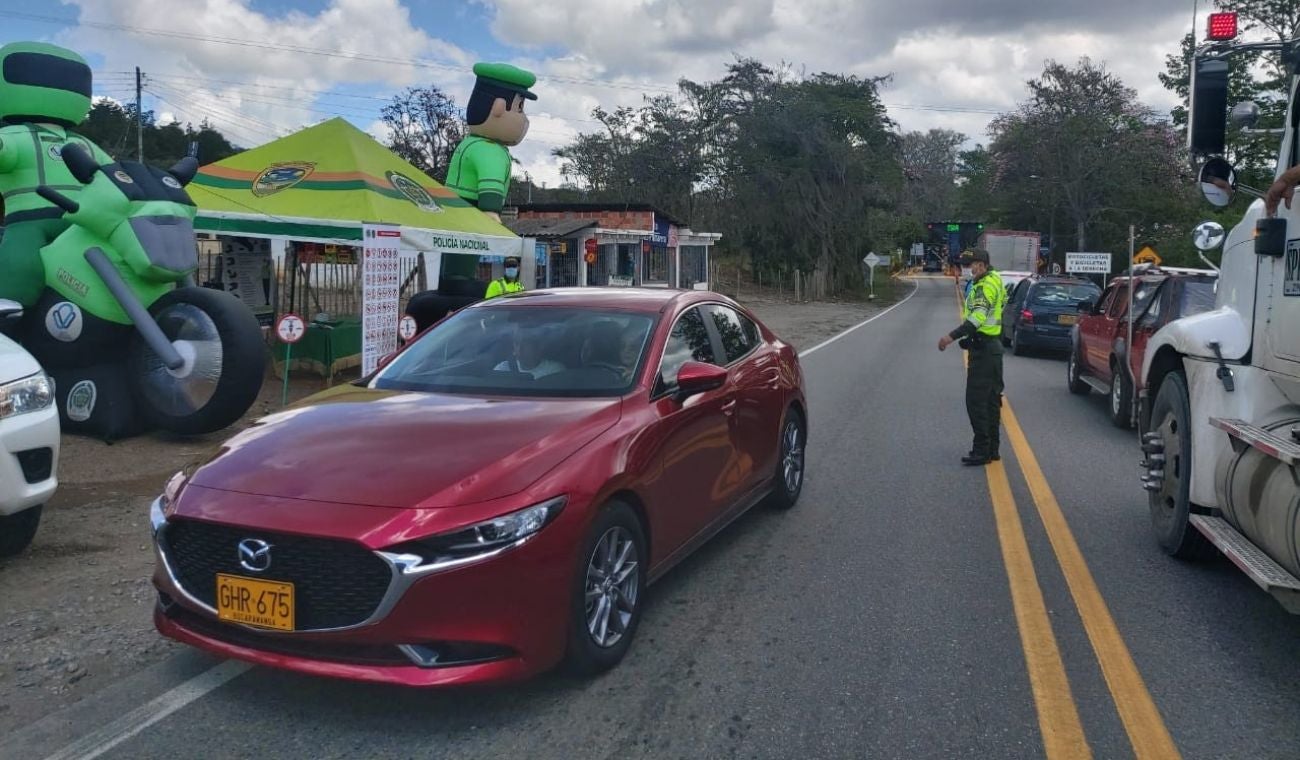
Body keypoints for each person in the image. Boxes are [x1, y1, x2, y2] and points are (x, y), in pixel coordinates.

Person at [938, 248, 1007, 466]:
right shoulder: (996, 279)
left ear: (982, 265)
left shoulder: (984, 287)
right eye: (967, 265)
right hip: (992, 347)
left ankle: (981, 449)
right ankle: (993, 449)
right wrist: (975, 338)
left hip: (984, 353)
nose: (968, 269)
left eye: (971, 265)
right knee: (991, 401)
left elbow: (977, 318)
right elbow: (1001, 305)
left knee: (976, 402)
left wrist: (951, 337)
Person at [444, 62, 537, 224]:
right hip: (472, 215)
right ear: (498, 107)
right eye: (520, 108)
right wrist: (491, 211)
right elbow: (490, 181)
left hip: (450, 211)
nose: (524, 118)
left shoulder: (469, 144)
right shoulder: (490, 150)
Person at [494, 328, 562, 378]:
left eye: (525, 344)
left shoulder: (554, 371)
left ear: (538, 347)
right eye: (517, 343)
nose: (519, 349)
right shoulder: (503, 369)